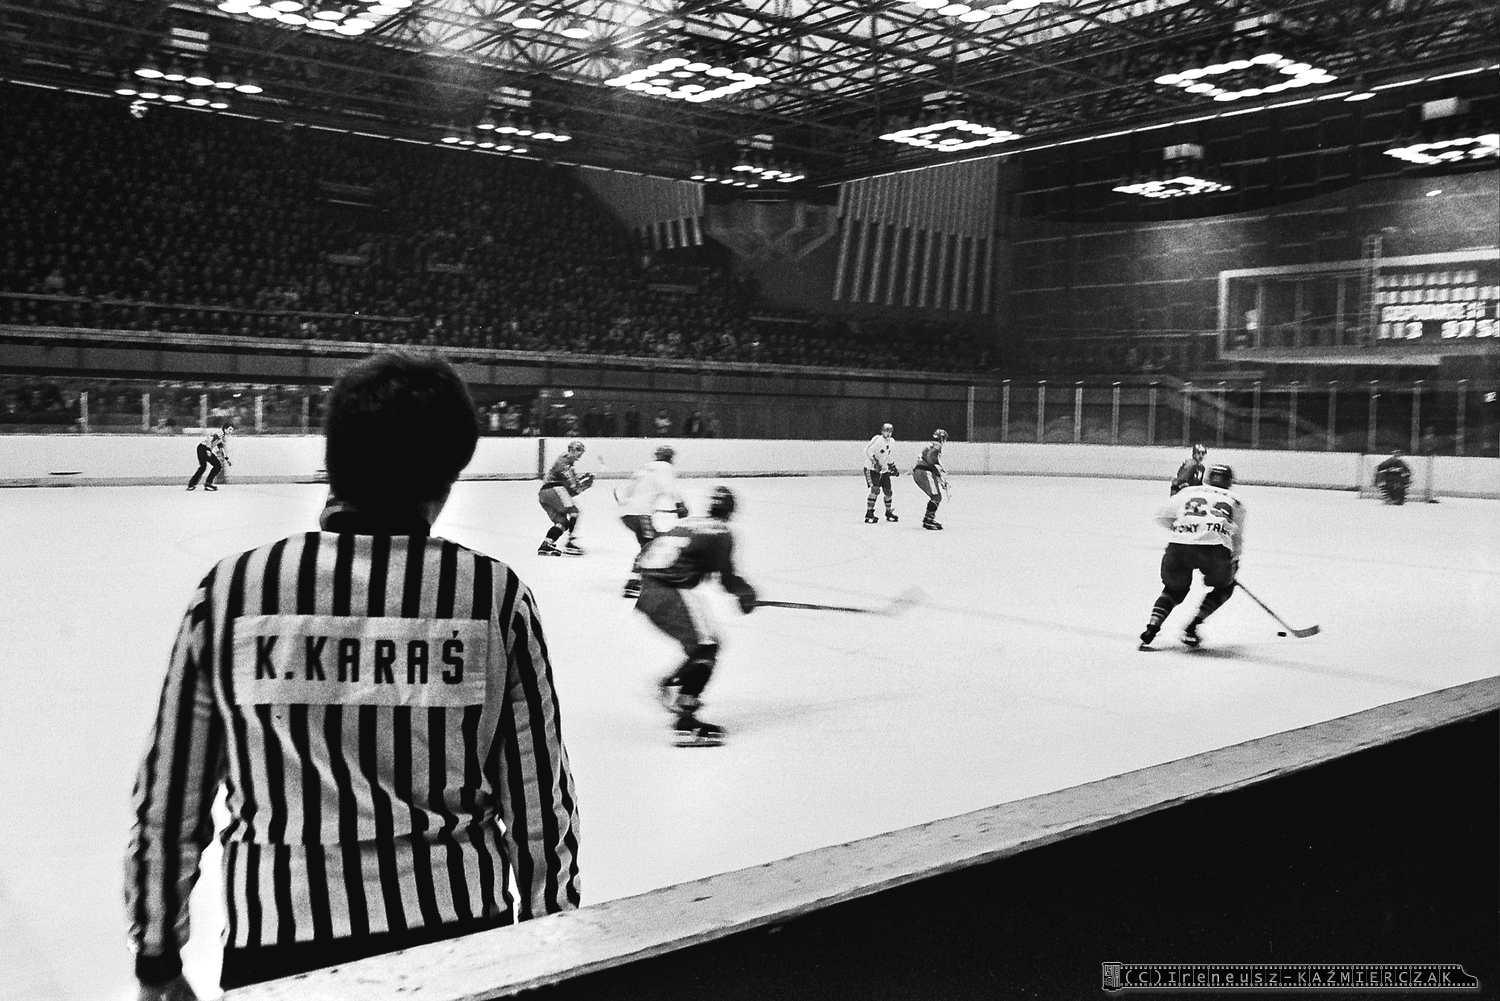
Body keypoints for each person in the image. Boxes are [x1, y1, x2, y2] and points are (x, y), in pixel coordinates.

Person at [126, 351, 581, 999]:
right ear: (448, 476)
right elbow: (539, 798)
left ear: (334, 458)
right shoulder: (493, 596)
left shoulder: (233, 592)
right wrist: (550, 945)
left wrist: (157, 956)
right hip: (462, 937)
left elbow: (171, 796)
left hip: (279, 941)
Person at [635, 485, 757, 747]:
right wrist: (745, 594)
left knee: (704, 646)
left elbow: (645, 555)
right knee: (706, 648)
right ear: (730, 511)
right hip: (670, 592)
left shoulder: (688, 523)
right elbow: (727, 577)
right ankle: (685, 722)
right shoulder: (721, 532)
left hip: (649, 591)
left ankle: (672, 684)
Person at [1139, 463, 1246, 650]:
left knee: (1174, 589)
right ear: (1229, 482)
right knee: (1225, 587)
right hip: (1215, 550)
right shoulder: (1237, 502)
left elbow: (1161, 517)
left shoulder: (1189, 491)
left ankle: (1152, 626)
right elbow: (1236, 537)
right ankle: (1193, 625)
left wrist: (1185, 528)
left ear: (1208, 478)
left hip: (1179, 546)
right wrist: (1233, 563)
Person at [616, 444, 689, 598]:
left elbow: (630, 490)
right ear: (670, 458)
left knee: (649, 544)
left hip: (627, 513)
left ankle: (642, 578)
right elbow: (668, 488)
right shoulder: (664, 467)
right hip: (640, 514)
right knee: (651, 546)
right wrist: (680, 505)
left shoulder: (644, 467)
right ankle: (634, 583)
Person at [537, 439, 595, 556]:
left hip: (545, 493)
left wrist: (583, 483)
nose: (579, 455)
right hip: (555, 489)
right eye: (579, 451)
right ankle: (570, 543)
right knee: (574, 512)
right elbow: (573, 487)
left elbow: (571, 491)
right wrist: (584, 484)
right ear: (573, 450)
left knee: (562, 522)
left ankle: (547, 544)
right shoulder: (565, 462)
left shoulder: (563, 463)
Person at [912, 429, 949, 531]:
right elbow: (930, 460)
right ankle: (928, 520)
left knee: (935, 496)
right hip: (925, 472)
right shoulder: (937, 446)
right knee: (936, 496)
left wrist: (940, 479)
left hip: (919, 472)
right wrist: (939, 470)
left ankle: (928, 519)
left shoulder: (929, 445)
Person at [863, 423, 900, 524]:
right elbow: (868, 451)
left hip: (884, 470)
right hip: (871, 469)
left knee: (888, 491)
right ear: (882, 431)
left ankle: (888, 512)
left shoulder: (892, 442)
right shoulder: (878, 440)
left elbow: (888, 455)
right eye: (886, 431)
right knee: (875, 490)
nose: (888, 433)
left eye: (890, 431)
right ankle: (869, 512)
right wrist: (875, 463)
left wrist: (892, 466)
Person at [186, 421, 233, 491]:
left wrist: (227, 458)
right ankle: (196, 484)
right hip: (203, 448)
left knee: (213, 466)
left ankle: (202, 483)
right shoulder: (219, 433)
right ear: (225, 429)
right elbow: (210, 439)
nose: (231, 431)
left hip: (205, 449)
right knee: (207, 466)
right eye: (230, 429)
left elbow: (220, 447)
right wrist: (208, 449)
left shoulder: (221, 435)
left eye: (232, 430)